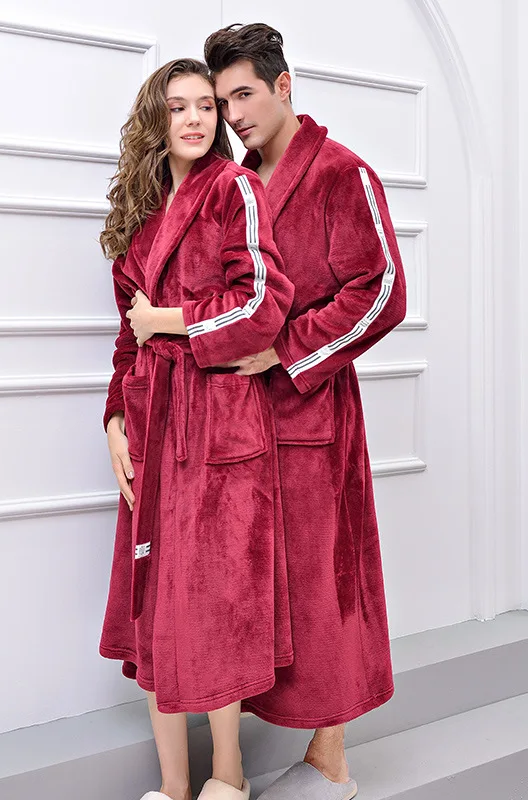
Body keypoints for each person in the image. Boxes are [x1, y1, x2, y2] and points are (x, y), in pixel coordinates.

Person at [204, 24, 408, 800]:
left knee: (323, 587)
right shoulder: (237, 181)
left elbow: (383, 292)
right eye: (223, 102)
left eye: (244, 95)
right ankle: (266, 756)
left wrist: (287, 349)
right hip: (239, 420)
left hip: (311, 415)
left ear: (283, 86)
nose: (234, 116)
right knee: (251, 587)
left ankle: (331, 759)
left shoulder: (341, 173)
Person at [98, 58, 295, 800]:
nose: (194, 119)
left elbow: (263, 305)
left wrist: (170, 319)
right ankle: (174, 784)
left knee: (216, 603)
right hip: (151, 424)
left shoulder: (234, 189)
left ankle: (229, 774)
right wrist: (116, 419)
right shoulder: (141, 210)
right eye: (178, 106)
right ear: (157, 117)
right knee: (157, 603)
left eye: (206, 106)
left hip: (218, 424)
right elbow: (127, 336)